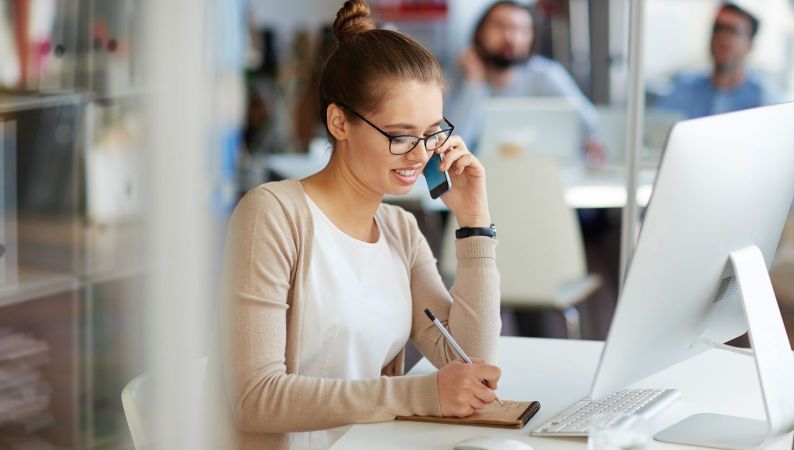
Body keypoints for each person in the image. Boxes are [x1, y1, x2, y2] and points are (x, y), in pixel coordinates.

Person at [206, 1, 503, 449]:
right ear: (339, 121)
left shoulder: (400, 231)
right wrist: (418, 394)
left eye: (432, 133)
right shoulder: (272, 215)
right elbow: (255, 397)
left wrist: (474, 223)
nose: (421, 154)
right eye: (400, 135)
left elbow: (469, 362)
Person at [447, 0, 602, 159]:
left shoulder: (546, 75)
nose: (510, 37)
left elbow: (590, 125)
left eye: (521, 29)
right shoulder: (457, 79)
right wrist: (473, 83)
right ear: (480, 33)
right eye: (499, 26)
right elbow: (452, 143)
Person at [656, 2, 783, 119]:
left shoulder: (766, 101)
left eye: (733, 31)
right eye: (718, 28)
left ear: (750, 46)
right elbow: (656, 130)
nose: (722, 37)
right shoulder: (685, 88)